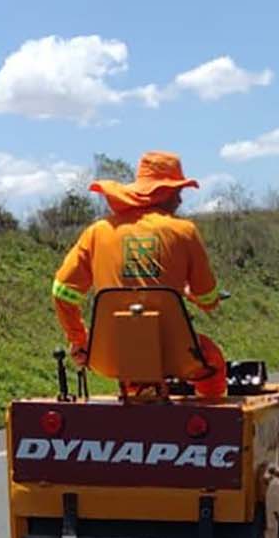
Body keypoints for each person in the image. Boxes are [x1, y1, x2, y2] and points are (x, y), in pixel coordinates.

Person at [51, 152, 226, 397]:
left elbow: (62, 291)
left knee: (129, 363)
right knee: (212, 361)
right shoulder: (184, 231)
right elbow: (208, 299)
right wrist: (199, 297)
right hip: (174, 353)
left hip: (109, 354)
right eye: (177, 191)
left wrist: (79, 340)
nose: (179, 200)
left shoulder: (97, 232)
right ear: (162, 192)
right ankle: (213, 419)